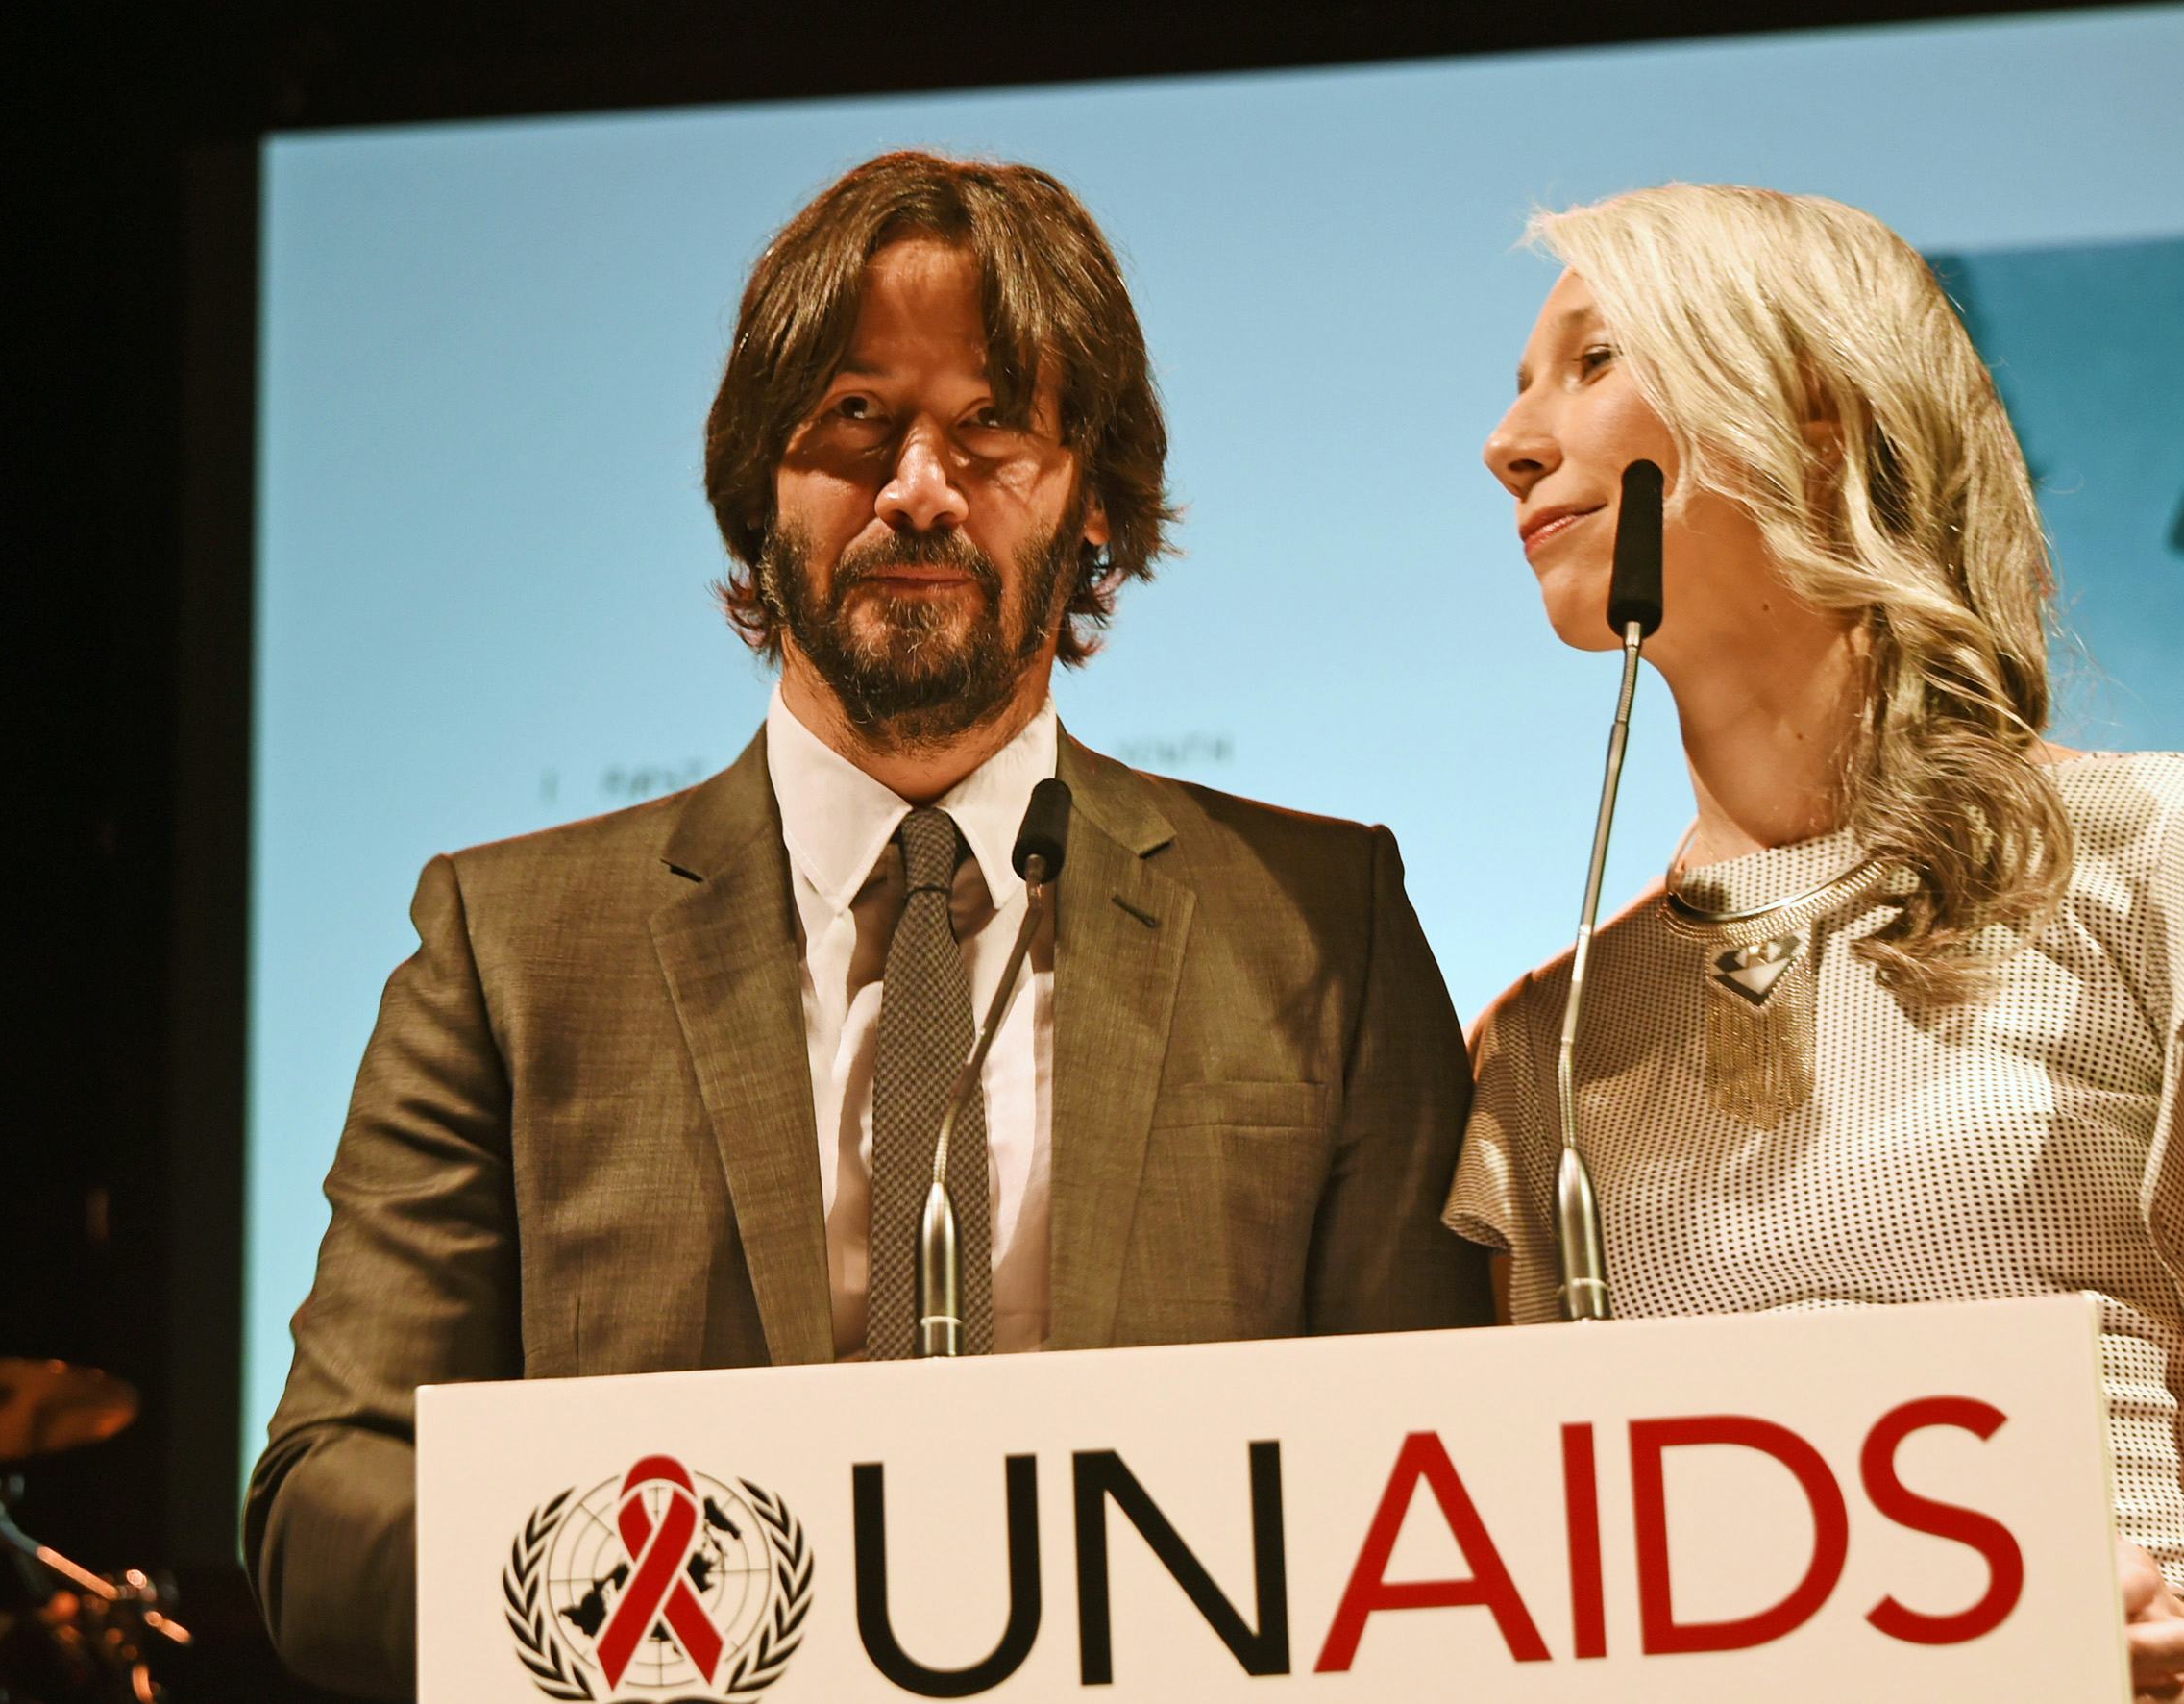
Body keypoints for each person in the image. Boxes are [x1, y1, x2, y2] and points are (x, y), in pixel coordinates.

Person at [244, 150, 1491, 1699]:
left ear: (1094, 497)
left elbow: (1445, 1482)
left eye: (992, 426)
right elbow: (328, 1503)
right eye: (854, 418)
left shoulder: (1321, 927)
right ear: (755, 486)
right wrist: (694, 1608)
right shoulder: (506, 949)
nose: (917, 487)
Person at [1449, 184, 2184, 1704]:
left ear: (1817, 417)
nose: (1510, 441)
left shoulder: (2180, 861)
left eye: (1593, 360)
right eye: (1521, 386)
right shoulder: (1546, 1043)